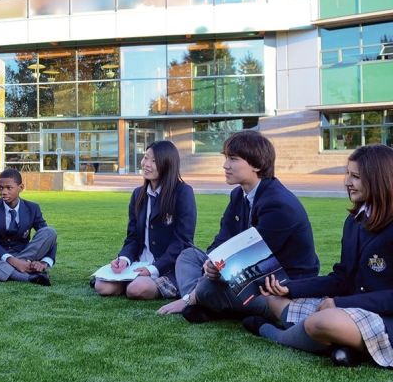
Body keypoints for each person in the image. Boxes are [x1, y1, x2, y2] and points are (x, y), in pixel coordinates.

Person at [243, 144, 393, 368]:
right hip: (351, 311)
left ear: (379, 179)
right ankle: (347, 347)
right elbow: (342, 278)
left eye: (356, 177)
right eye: (347, 174)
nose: (347, 182)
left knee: (323, 321)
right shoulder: (354, 222)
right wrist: (289, 289)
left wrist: (339, 303)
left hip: (384, 317)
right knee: (274, 300)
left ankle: (273, 333)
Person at [157, 130, 319, 322]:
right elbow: (221, 240)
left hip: (277, 286)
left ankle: (197, 299)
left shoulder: (278, 204)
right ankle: (206, 300)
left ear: (257, 164)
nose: (225, 165)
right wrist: (211, 263)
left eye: (233, 159)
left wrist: (191, 295)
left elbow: (253, 263)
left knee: (208, 287)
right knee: (188, 256)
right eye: (226, 158)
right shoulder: (238, 195)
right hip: (242, 272)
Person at [94, 141, 196, 300]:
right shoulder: (138, 194)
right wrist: (124, 259)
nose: (146, 164)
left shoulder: (183, 192)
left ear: (167, 164)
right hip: (139, 263)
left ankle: (136, 283)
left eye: (154, 161)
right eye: (145, 157)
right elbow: (132, 237)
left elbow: (182, 241)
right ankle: (130, 280)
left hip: (168, 266)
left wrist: (154, 269)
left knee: (137, 289)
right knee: (102, 286)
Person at [0, 168, 57, 286]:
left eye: (9, 188)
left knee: (50, 232)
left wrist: (44, 263)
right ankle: (27, 277)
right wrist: (13, 261)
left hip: (25, 254)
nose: (3, 192)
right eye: (0, 188)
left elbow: (49, 240)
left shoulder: (32, 208)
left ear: (21, 187)